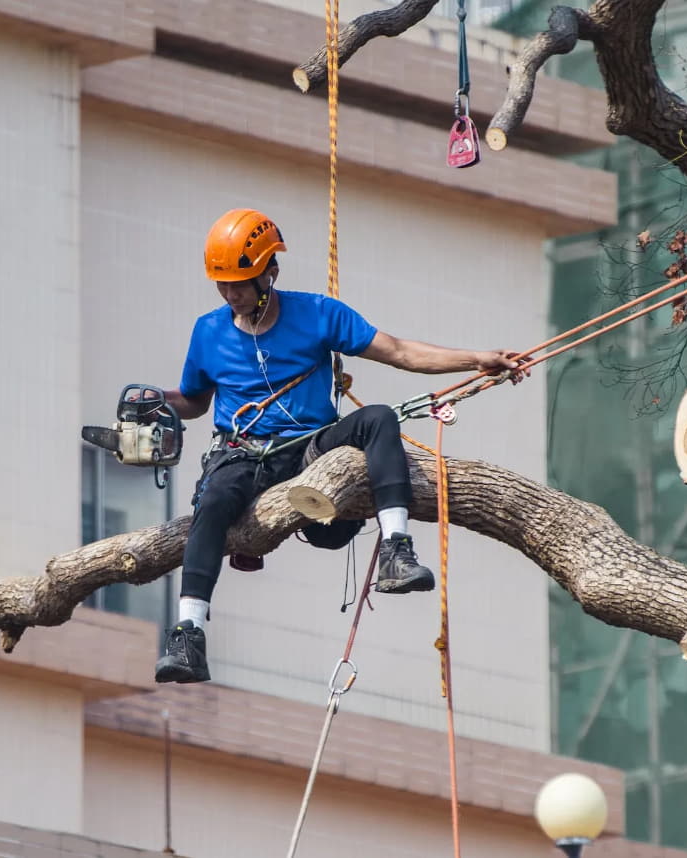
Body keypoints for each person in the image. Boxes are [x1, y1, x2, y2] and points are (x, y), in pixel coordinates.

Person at [150, 208, 524, 684]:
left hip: (311, 447)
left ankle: (397, 549)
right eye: (222, 284)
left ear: (270, 272)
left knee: (379, 418)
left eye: (240, 282)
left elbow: (401, 352)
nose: (231, 294)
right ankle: (189, 634)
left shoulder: (318, 314)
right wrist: (157, 400)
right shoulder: (209, 331)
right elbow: (196, 402)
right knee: (213, 501)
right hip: (244, 452)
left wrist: (476, 359)